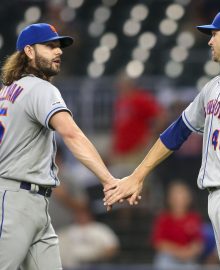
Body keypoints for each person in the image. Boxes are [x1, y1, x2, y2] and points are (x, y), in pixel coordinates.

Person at [104, 8, 220, 270]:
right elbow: (177, 131)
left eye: (214, 34)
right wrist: (137, 176)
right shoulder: (214, 86)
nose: (209, 41)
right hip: (219, 195)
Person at [0, 23, 125, 270]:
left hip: (32, 203)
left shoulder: (7, 92)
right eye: (49, 46)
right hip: (15, 200)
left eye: (58, 46)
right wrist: (109, 180)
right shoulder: (41, 88)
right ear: (29, 51)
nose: (58, 51)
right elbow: (72, 134)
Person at [151, 181, 203, 269]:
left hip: (188, 259)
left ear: (189, 198)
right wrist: (179, 252)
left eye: (182, 196)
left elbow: (198, 243)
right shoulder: (163, 218)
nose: (179, 200)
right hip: (168, 258)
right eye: (175, 196)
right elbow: (158, 243)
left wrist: (188, 253)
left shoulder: (194, 217)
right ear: (169, 199)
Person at [57, 202, 120, 268]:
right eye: (78, 213)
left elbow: (112, 248)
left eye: (83, 213)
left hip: (95, 265)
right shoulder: (65, 231)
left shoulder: (101, 229)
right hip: (71, 266)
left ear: (89, 214)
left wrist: (99, 256)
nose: (81, 216)